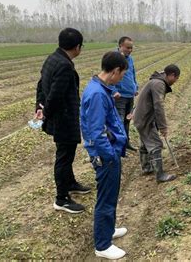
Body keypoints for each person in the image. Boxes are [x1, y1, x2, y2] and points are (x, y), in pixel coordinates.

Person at [35, 28, 90, 214]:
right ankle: (61, 198)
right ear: (77, 47)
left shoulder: (52, 58)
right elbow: (56, 97)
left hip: (59, 117)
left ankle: (71, 183)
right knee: (64, 157)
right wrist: (45, 114)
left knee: (67, 154)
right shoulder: (65, 66)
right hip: (64, 120)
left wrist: (39, 108)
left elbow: (40, 86)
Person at [80, 51, 129, 259]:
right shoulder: (98, 94)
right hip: (105, 155)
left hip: (109, 151)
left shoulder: (101, 88)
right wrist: (109, 155)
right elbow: (96, 132)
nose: (122, 79)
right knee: (106, 198)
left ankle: (107, 230)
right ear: (115, 71)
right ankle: (102, 245)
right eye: (122, 75)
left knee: (110, 195)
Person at [133, 65, 181, 183]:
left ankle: (147, 168)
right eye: (176, 78)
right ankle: (160, 175)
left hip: (142, 117)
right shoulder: (159, 84)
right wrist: (163, 126)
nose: (176, 81)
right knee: (156, 144)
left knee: (145, 143)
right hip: (145, 119)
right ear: (172, 75)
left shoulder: (155, 81)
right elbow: (158, 105)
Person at [113, 36, 138, 152]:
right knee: (119, 121)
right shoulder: (114, 59)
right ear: (120, 46)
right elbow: (109, 76)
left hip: (130, 95)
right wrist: (114, 91)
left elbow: (132, 73)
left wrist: (135, 86)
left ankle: (126, 143)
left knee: (127, 120)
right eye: (128, 47)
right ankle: (119, 146)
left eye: (131, 48)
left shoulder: (130, 59)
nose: (130, 50)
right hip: (120, 96)